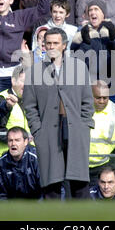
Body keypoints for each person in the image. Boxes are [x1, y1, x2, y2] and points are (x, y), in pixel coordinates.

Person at [23, 28, 95, 199]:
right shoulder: (34, 72)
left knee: (79, 183)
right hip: (47, 132)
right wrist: (37, 131)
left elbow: (87, 101)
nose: (52, 46)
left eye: (56, 43)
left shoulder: (79, 67)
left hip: (76, 129)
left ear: (64, 45)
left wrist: (84, 126)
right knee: (51, 184)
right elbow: (29, 105)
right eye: (48, 43)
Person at [0, 127, 41, 200]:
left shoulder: (36, 159)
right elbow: (1, 194)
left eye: (17, 140)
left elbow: (45, 190)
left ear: (26, 142)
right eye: (10, 140)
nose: (13, 144)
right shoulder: (1, 163)